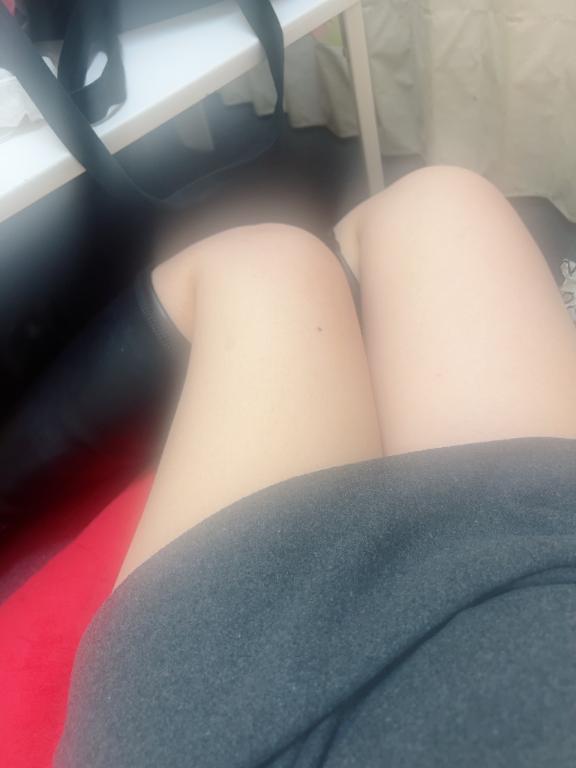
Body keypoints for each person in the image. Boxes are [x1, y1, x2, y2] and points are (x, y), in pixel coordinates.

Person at [38, 166, 576, 765]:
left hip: (247, 710)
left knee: (263, 264)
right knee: (442, 199)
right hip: (545, 602)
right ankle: (350, 329)